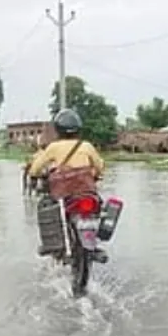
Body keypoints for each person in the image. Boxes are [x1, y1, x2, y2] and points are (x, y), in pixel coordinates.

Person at [28, 108, 106, 258]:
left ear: (57, 130)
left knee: (50, 209)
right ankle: (94, 243)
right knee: (98, 207)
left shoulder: (53, 147)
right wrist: (97, 175)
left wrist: (34, 176)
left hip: (63, 193)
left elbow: (36, 168)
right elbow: (100, 166)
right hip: (86, 192)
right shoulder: (87, 146)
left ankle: (51, 245)